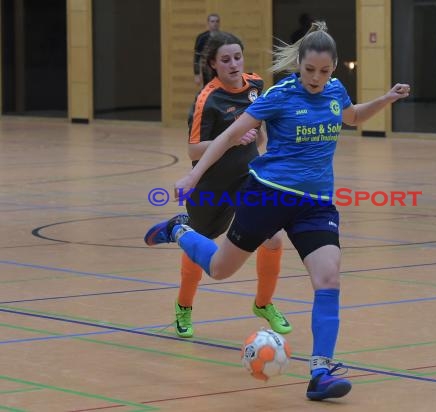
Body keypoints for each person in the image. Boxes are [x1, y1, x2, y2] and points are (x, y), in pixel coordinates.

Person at [145, 21, 410, 401]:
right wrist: (193, 174)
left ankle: (321, 371)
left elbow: (350, 117)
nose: (317, 78)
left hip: (315, 205)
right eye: (310, 70)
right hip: (268, 195)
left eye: (325, 71)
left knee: (328, 279)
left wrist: (385, 99)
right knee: (220, 269)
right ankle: (179, 231)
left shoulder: (335, 90)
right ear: (298, 65)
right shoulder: (280, 95)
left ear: (334, 68)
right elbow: (228, 137)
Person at [165, 31, 291, 338]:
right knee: (200, 247)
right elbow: (193, 150)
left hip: (247, 180)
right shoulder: (206, 99)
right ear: (213, 64)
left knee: (273, 238)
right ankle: (184, 306)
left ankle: (264, 303)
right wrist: (234, 139)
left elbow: (259, 129)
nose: (234, 64)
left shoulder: (256, 86)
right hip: (210, 186)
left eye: (238, 57)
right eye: (225, 60)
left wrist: (261, 141)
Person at [193, 13, 221, 87]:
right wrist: (196, 74)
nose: (215, 24)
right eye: (212, 21)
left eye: (217, 21)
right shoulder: (202, 38)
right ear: (208, 23)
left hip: (219, 69)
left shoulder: (223, 38)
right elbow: (197, 57)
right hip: (206, 70)